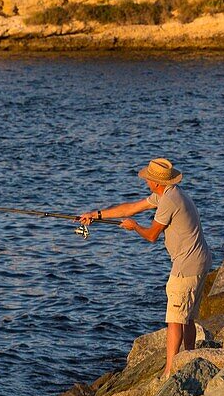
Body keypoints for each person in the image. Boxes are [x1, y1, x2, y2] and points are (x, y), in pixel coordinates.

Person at [79, 157, 211, 376]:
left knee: (175, 319)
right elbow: (131, 208)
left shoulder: (169, 201)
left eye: (148, 179)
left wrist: (135, 227)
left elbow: (151, 235)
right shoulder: (169, 193)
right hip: (200, 259)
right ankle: (190, 358)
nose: (146, 182)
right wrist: (96, 215)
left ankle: (170, 371)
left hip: (187, 264)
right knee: (187, 317)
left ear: (156, 182)